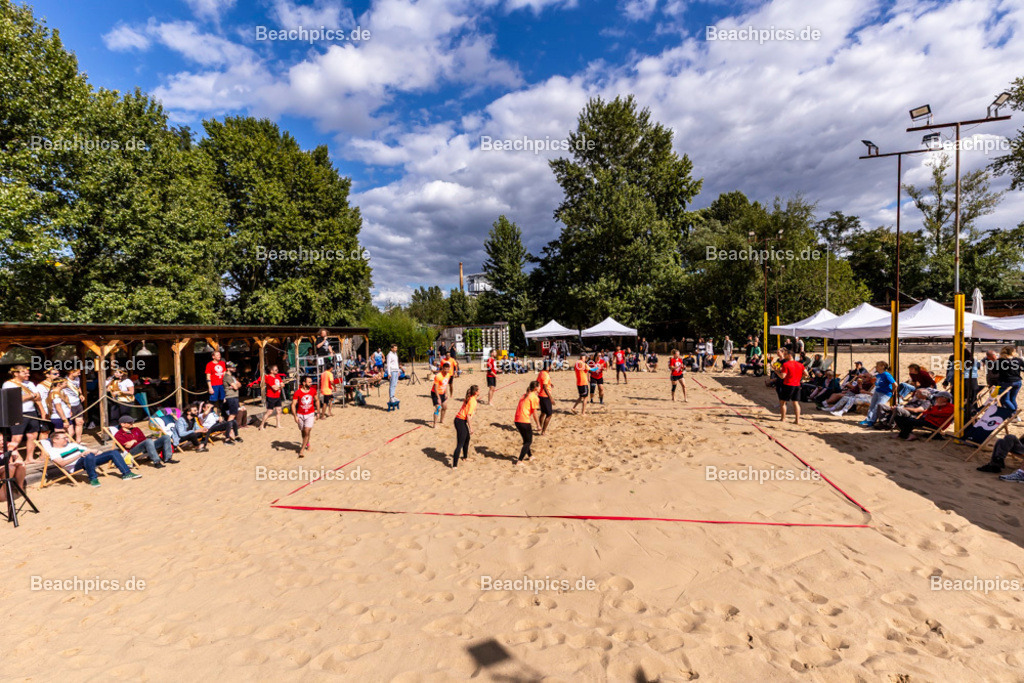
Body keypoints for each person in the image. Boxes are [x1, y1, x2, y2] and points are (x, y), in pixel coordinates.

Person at [45, 430, 140, 487]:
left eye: (66, 437)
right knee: (88, 455)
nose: (67, 439)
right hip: (75, 466)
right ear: (55, 440)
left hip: (89, 459)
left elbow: (93, 451)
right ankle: (93, 479)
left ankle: (126, 474)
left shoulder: (73, 445)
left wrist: (95, 451)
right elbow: (61, 464)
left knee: (113, 452)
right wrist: (79, 455)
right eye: (64, 438)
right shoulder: (53, 451)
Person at [3, 365, 45, 463]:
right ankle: (13, 459)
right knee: (17, 436)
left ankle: (29, 458)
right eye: (24, 373)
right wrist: (31, 395)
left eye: (28, 372)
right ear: (16, 373)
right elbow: (14, 399)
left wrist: (42, 411)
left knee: (33, 435)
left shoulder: (30, 383)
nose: (28, 374)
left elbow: (38, 397)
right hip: (17, 413)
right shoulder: (8, 384)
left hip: (31, 411)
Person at [859, 361, 895, 427]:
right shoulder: (878, 374)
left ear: (882, 366)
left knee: (877, 407)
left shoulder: (887, 374)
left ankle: (872, 421)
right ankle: (868, 419)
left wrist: (893, 391)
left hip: (884, 393)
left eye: (878, 365)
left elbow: (895, 384)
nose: (876, 367)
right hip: (877, 391)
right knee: (872, 406)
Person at [776, 349, 807, 424]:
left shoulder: (786, 364)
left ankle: (783, 418)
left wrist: (776, 371)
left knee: (782, 402)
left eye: (786, 354)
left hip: (788, 384)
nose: (784, 355)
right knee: (796, 403)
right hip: (797, 385)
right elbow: (806, 374)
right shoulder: (800, 364)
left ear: (789, 355)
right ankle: (797, 420)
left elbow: (782, 376)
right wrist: (799, 377)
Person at [513, 381, 542, 462]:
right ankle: (519, 460)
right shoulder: (534, 397)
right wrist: (538, 425)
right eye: (539, 386)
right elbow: (535, 413)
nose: (540, 388)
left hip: (517, 420)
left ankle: (530, 456)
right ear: (536, 388)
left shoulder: (524, 395)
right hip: (524, 420)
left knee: (526, 440)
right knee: (528, 441)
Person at [451, 385, 479, 468]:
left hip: (460, 420)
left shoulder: (470, 397)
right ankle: (454, 465)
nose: (479, 391)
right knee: (460, 443)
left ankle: (465, 458)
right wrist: (471, 428)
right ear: (476, 392)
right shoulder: (473, 401)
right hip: (460, 421)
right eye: (478, 390)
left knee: (467, 438)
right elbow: (468, 416)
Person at [251, 365, 285, 430]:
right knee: (269, 412)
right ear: (271, 371)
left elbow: (282, 384)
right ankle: (261, 425)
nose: (277, 371)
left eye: (277, 370)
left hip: (277, 396)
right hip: (271, 397)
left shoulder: (278, 377)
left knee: (279, 411)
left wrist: (280, 386)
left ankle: (278, 425)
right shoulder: (269, 377)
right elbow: (274, 388)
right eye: (275, 370)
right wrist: (280, 386)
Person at [291, 376, 317, 455]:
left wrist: (318, 412)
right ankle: (307, 443)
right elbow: (293, 404)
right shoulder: (297, 392)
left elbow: (317, 400)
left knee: (307, 430)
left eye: (311, 382)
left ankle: (301, 450)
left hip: (310, 414)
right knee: (303, 432)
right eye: (309, 382)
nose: (311, 383)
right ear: (304, 383)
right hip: (300, 415)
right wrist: (295, 416)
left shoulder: (313, 390)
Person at [996, 346, 1022, 413]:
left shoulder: (1000, 361)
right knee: (1012, 399)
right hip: (1017, 381)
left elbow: (994, 371)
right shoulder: (1018, 360)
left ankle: (1014, 414)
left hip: (1006, 381)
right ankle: (1014, 416)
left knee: (1005, 400)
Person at [222, 362, 244, 439]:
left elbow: (239, 384)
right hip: (231, 397)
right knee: (232, 416)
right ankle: (228, 434)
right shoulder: (227, 377)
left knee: (233, 415)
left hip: (234, 397)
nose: (234, 368)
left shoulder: (232, 377)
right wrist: (235, 386)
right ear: (228, 368)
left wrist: (236, 385)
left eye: (234, 367)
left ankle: (230, 432)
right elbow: (236, 387)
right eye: (232, 367)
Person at [65, 368, 86, 443]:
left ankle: (78, 441)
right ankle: (69, 442)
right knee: (70, 426)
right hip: (69, 404)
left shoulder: (77, 379)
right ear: (71, 372)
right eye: (77, 373)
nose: (79, 374)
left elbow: (78, 387)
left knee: (80, 422)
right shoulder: (65, 381)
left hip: (77, 403)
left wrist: (80, 394)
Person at [431, 362, 451, 428]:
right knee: (438, 408)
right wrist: (438, 398)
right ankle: (434, 424)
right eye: (445, 369)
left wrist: (446, 393)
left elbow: (445, 385)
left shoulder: (448, 375)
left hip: (442, 392)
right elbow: (435, 388)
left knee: (445, 407)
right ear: (442, 368)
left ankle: (441, 420)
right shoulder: (438, 376)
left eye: (448, 369)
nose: (446, 371)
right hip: (435, 393)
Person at [536, 366, 554, 435]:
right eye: (550, 366)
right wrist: (551, 397)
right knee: (549, 414)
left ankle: (539, 427)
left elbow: (538, 381)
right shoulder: (546, 375)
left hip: (540, 395)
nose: (551, 367)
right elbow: (544, 386)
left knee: (543, 412)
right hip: (545, 396)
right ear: (547, 367)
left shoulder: (541, 373)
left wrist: (549, 384)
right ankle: (543, 431)